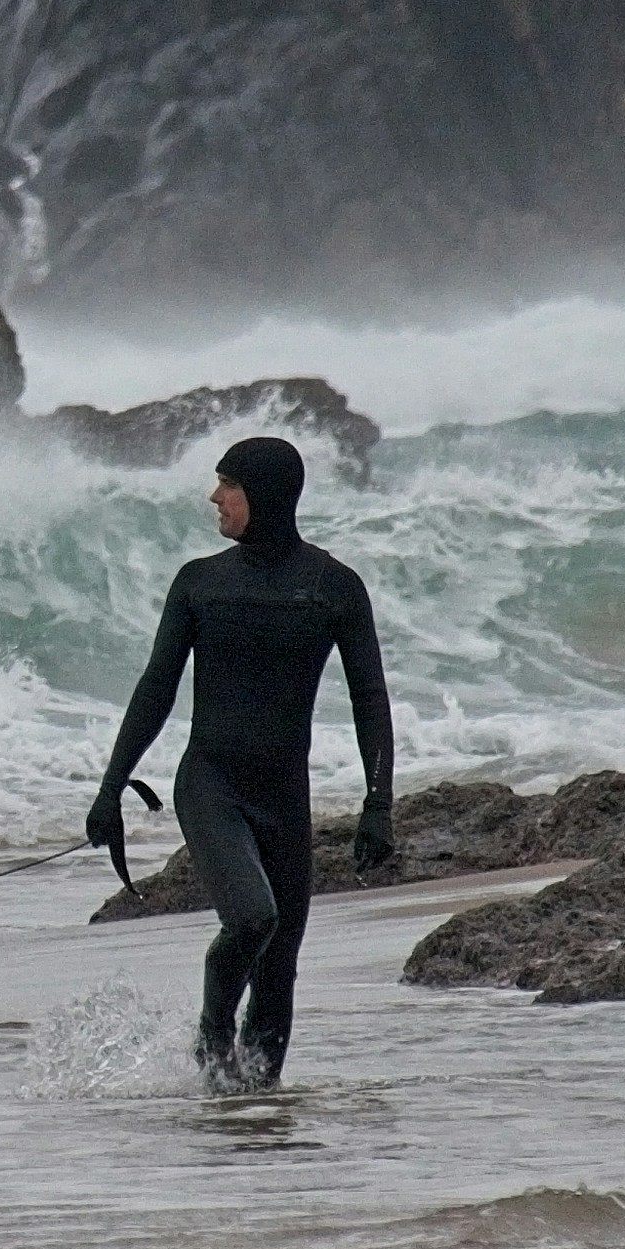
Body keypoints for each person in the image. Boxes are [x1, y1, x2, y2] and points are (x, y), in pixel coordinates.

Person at [87, 435, 394, 1089]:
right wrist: (111, 786)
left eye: (225, 483)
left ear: (263, 493)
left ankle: (253, 1116)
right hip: (211, 784)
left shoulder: (332, 587)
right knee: (253, 918)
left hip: (283, 794)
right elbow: (154, 688)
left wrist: (378, 802)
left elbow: (369, 695)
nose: (213, 496)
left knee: (279, 968)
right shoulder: (200, 583)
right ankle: (212, 1037)